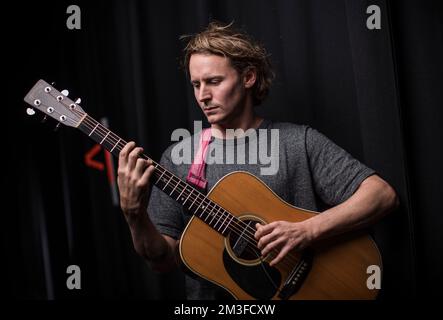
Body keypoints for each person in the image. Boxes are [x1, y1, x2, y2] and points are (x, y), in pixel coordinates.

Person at [117, 21, 399, 300]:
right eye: (196, 84)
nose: (203, 96)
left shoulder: (298, 141)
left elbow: (381, 195)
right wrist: (134, 214)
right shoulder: (177, 158)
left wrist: (306, 231)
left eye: (214, 81)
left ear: (248, 77)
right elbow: (161, 261)